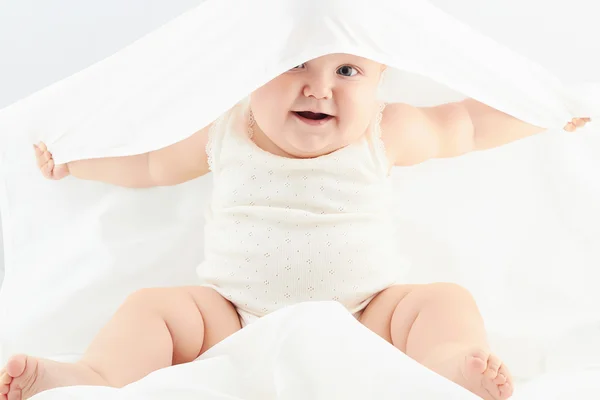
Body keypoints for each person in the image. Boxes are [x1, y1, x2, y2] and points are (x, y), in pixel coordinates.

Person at [0, 53, 591, 400]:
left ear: (380, 80)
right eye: (292, 66)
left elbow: (465, 124)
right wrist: (78, 160)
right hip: (229, 315)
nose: (320, 87)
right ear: (251, 72)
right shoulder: (224, 133)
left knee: (441, 300)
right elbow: (151, 163)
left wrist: (543, 111)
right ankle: (92, 375)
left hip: (370, 312)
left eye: (348, 71)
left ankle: (450, 363)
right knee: (152, 306)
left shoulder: (385, 132)